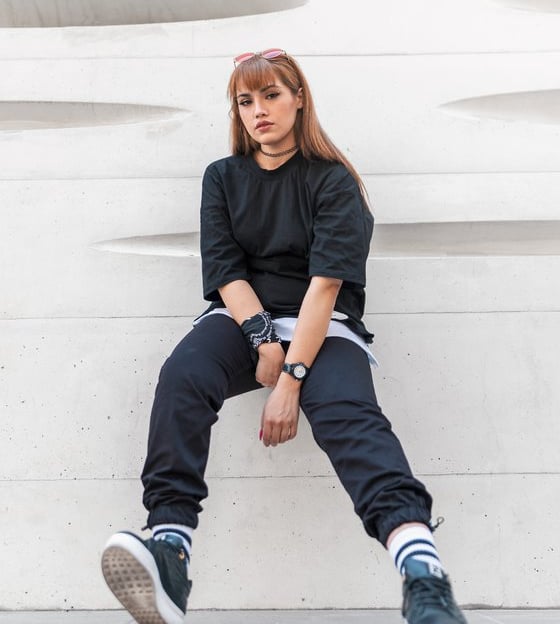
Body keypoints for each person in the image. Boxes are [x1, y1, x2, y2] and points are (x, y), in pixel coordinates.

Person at [101, 49, 468, 624]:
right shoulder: (222, 177)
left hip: (324, 326)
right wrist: (261, 336)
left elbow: (324, 289)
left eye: (271, 95)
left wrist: (291, 378)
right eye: (245, 101)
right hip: (244, 319)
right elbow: (225, 272)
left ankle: (423, 575)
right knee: (184, 376)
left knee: (348, 414)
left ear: (299, 98)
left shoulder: (332, 181)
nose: (258, 111)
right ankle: (170, 547)